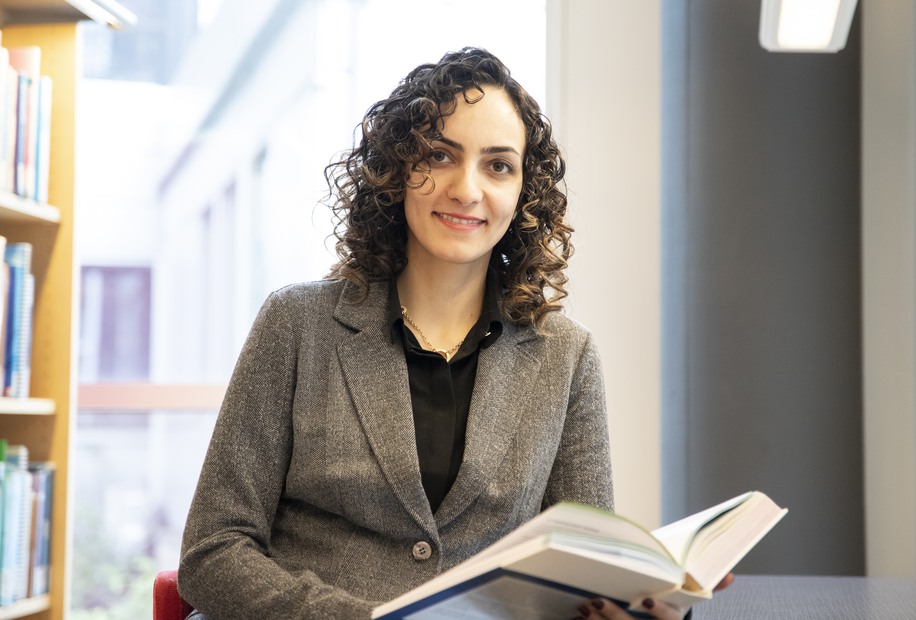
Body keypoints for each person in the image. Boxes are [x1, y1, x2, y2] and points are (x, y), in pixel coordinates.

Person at [177, 46, 729, 620]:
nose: (467, 189)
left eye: (498, 165)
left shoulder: (566, 355)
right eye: (440, 156)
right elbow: (213, 551)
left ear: (523, 194)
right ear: (395, 173)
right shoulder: (296, 324)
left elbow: (585, 567)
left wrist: (649, 603)